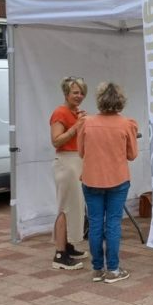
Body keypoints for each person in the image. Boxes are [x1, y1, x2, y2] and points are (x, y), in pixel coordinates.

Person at [78, 82, 138, 283]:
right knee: (113, 223)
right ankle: (113, 269)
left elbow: (81, 152)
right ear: (121, 101)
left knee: (95, 222)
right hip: (117, 179)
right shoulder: (127, 124)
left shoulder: (86, 123)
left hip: (91, 179)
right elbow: (132, 155)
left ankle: (97, 269)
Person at [49, 76, 89, 270]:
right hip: (66, 161)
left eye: (81, 92)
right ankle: (60, 254)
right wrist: (76, 127)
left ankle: (69, 245)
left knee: (75, 206)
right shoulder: (60, 112)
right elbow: (56, 141)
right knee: (65, 207)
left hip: (76, 161)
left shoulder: (75, 112)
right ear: (66, 93)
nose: (79, 96)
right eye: (75, 92)